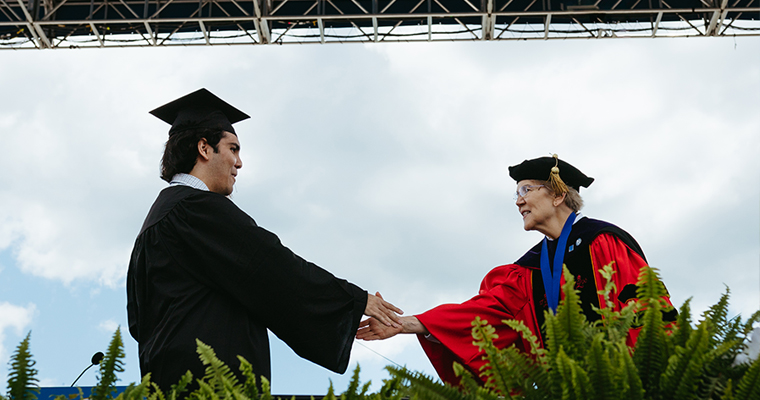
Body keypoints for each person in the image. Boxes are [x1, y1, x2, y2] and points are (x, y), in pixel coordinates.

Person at [126, 88, 402, 391]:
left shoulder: (155, 220)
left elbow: (138, 323)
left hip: (167, 379)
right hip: (210, 381)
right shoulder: (194, 209)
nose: (239, 162)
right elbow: (271, 265)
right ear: (204, 148)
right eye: (233, 149)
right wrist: (353, 299)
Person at [356, 155, 677, 385]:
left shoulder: (602, 242)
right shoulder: (531, 267)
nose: (518, 201)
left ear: (559, 195)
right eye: (517, 193)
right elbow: (484, 315)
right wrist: (406, 324)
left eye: (526, 190)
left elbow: (642, 319)